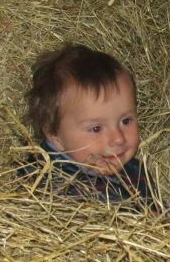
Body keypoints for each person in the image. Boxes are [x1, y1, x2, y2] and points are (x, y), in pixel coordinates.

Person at [21, 43, 162, 212]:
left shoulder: (134, 171)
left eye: (125, 121)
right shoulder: (48, 186)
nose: (118, 138)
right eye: (96, 129)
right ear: (54, 134)